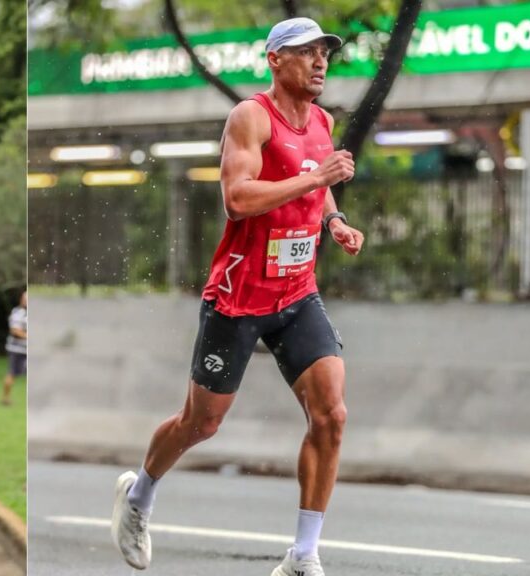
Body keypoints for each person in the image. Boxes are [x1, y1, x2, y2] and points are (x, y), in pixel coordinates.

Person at [111, 18, 365, 576]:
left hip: (298, 295)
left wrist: (335, 220)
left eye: (325, 52)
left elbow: (315, 187)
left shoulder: (322, 120)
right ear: (275, 59)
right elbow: (238, 199)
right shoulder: (251, 117)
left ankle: (303, 556)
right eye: (307, 52)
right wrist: (317, 177)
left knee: (332, 415)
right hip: (238, 299)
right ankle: (139, 497)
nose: (321, 61)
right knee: (201, 424)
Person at [2, 290, 27, 405]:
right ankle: (6, 398)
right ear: (22, 300)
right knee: (11, 373)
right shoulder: (17, 313)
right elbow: (15, 330)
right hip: (17, 349)